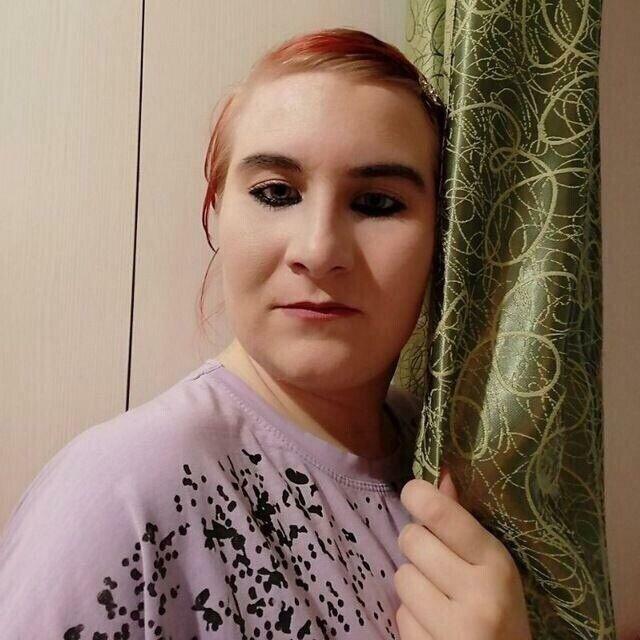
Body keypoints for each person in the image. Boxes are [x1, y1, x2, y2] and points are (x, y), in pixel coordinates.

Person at [0, 27, 444, 639]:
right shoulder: (123, 494)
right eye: (276, 193)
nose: (319, 252)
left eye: (377, 204)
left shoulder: (453, 461)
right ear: (215, 212)